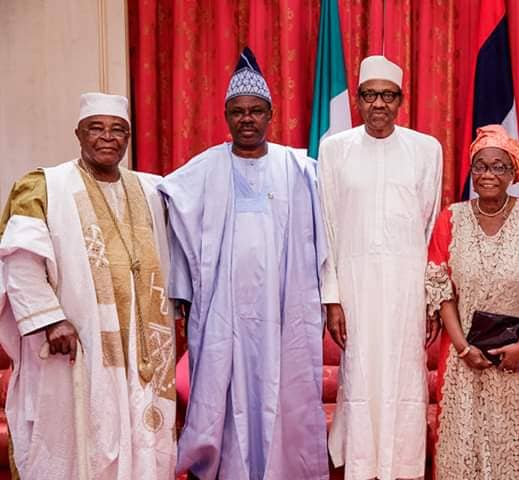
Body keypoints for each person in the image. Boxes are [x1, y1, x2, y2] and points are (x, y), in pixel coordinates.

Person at [159, 47, 329, 480]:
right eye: (238, 112)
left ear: (271, 114)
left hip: (283, 312)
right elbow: (163, 209)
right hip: (222, 314)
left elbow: (330, 232)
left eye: (256, 111)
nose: (247, 119)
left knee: (285, 395)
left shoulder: (299, 169)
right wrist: (181, 290)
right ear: (226, 115)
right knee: (225, 394)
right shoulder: (202, 170)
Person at [0, 92, 176, 479]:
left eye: (118, 130)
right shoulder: (45, 185)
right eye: (96, 128)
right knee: (77, 437)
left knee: (142, 436)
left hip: (143, 344)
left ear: (128, 138)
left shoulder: (152, 190)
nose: (107, 137)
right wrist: (50, 320)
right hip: (77, 342)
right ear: (78, 134)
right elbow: (21, 261)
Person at [319, 55, 443, 480]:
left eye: (387, 96)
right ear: (357, 99)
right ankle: (361, 463)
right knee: (360, 373)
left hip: (408, 286)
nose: (378, 104)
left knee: (405, 376)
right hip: (355, 283)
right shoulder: (334, 149)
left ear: (401, 100)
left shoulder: (427, 149)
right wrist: (332, 299)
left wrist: (430, 297)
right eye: (370, 95)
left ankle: (403, 466)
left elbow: (431, 229)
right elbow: (328, 226)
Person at [425, 125, 519, 479]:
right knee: (460, 450)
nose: (488, 174)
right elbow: (439, 285)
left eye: (498, 166)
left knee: (511, 450)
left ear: (514, 173)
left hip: (518, 359)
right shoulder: (451, 218)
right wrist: (462, 347)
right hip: (462, 357)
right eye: (480, 166)